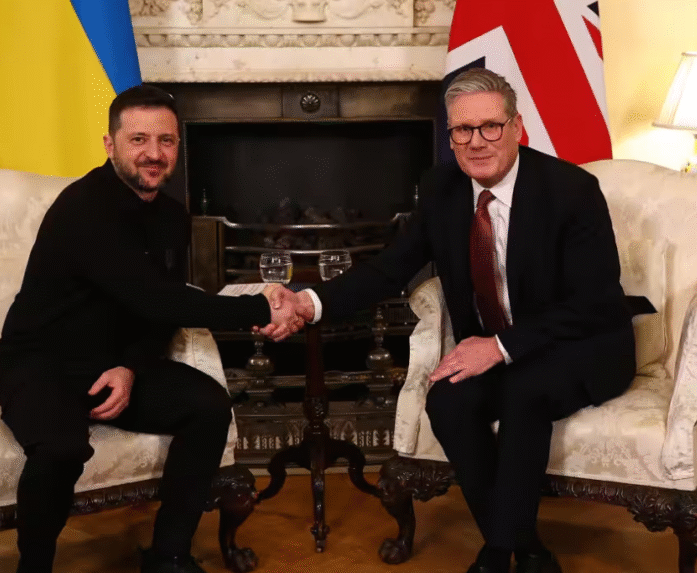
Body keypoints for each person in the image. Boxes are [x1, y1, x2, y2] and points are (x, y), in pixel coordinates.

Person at [265, 68, 636, 573]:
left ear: (517, 127)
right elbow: (388, 268)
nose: (477, 142)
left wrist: (499, 346)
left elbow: (594, 302)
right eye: (463, 130)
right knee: (448, 399)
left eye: (490, 127)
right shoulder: (442, 189)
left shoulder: (570, 190)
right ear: (450, 135)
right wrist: (309, 303)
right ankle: (526, 548)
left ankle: (497, 553)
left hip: (582, 343)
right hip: (503, 351)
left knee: (526, 391)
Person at [0, 84, 302, 573]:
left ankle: (168, 555)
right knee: (62, 448)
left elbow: (158, 312)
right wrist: (260, 307)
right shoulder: (83, 209)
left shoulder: (173, 217)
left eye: (166, 141)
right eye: (138, 140)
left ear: (178, 146)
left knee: (208, 405)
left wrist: (130, 367)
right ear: (110, 144)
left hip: (109, 364)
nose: (153, 154)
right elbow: (157, 297)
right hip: (39, 362)